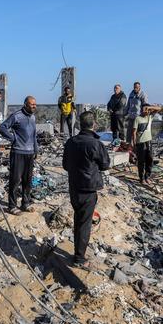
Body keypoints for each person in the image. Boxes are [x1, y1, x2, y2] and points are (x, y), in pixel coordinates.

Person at [62, 111, 111, 268]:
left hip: (74, 186)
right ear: (94, 125)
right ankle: (79, 257)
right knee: (84, 223)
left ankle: (78, 251)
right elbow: (105, 165)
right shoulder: (96, 144)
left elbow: (65, 165)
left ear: (80, 125)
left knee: (79, 218)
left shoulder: (71, 142)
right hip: (88, 189)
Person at [0, 96, 38, 215]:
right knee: (15, 180)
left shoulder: (33, 117)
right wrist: (12, 138)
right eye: (32, 104)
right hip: (18, 152)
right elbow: (2, 127)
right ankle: (12, 205)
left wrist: (36, 149)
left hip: (30, 153)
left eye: (35, 104)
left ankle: (25, 203)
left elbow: (34, 135)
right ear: (25, 104)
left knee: (27, 180)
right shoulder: (16, 115)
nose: (34, 106)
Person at [132, 104, 162, 185]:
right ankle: (141, 178)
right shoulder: (138, 118)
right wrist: (134, 144)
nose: (146, 111)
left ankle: (147, 177)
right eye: (144, 109)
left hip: (149, 142)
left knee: (150, 160)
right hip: (140, 143)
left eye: (147, 109)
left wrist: (150, 108)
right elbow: (134, 132)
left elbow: (159, 108)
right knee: (141, 162)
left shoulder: (150, 117)